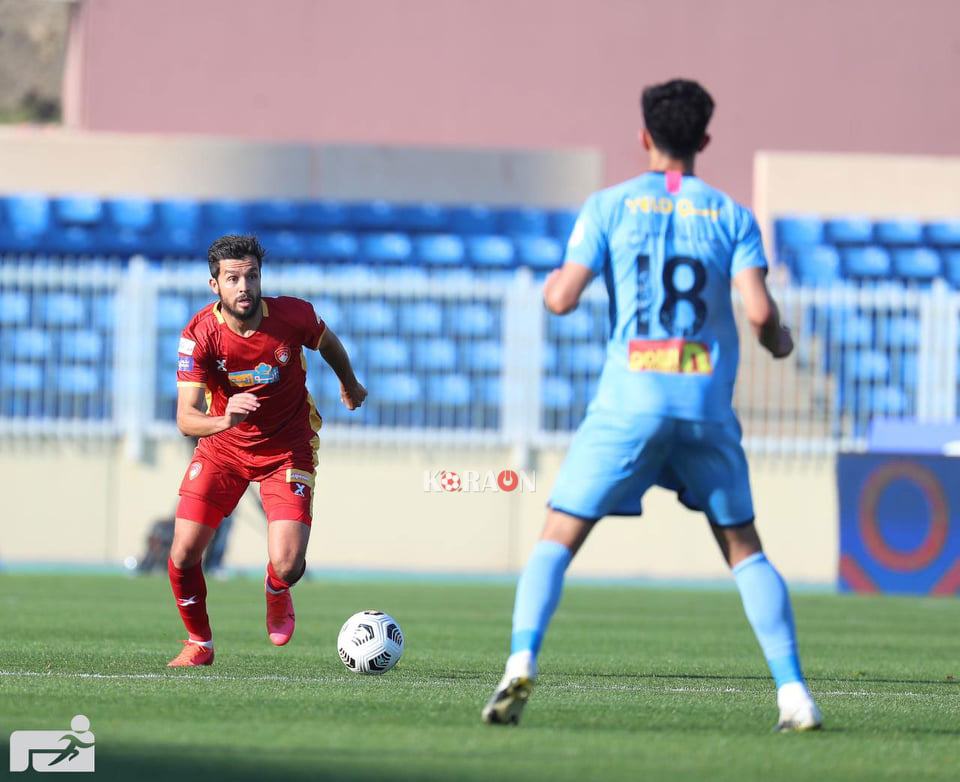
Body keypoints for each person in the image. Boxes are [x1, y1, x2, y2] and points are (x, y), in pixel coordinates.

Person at [482, 79, 822, 732]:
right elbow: (759, 314)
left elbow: (560, 299)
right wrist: (780, 341)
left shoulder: (609, 206)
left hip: (629, 400)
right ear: (704, 140)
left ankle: (520, 661)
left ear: (643, 137)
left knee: (558, 535)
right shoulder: (730, 214)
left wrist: (559, 280)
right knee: (744, 545)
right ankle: (793, 695)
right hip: (703, 402)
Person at [166, 234, 366, 667]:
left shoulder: (294, 315)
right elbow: (186, 419)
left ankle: (277, 588)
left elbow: (328, 343)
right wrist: (224, 420)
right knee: (182, 553)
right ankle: (199, 642)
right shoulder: (199, 335)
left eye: (251, 276)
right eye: (233, 278)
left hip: (287, 446)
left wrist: (348, 383)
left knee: (291, 563)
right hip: (223, 449)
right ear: (214, 285)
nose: (244, 287)